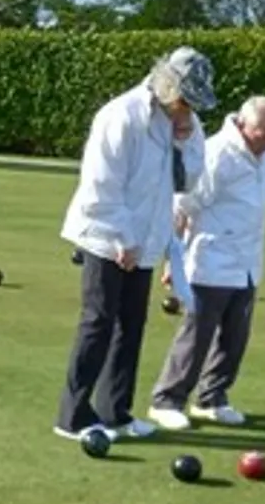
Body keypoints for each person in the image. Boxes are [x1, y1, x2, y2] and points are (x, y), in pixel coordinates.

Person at [56, 47, 214, 443]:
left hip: (146, 237)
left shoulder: (180, 123)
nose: (187, 111)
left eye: (192, 106)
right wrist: (122, 238)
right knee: (99, 321)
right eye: (184, 103)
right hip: (105, 233)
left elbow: (191, 179)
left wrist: (186, 139)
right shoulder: (121, 116)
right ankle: (72, 416)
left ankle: (115, 412)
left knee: (131, 326)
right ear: (166, 86)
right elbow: (100, 187)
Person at [147, 95, 265, 432]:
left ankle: (212, 398)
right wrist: (172, 259)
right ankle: (166, 400)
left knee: (235, 337)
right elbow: (184, 206)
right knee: (198, 334)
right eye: (261, 135)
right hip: (211, 258)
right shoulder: (218, 153)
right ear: (242, 124)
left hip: (248, 261)